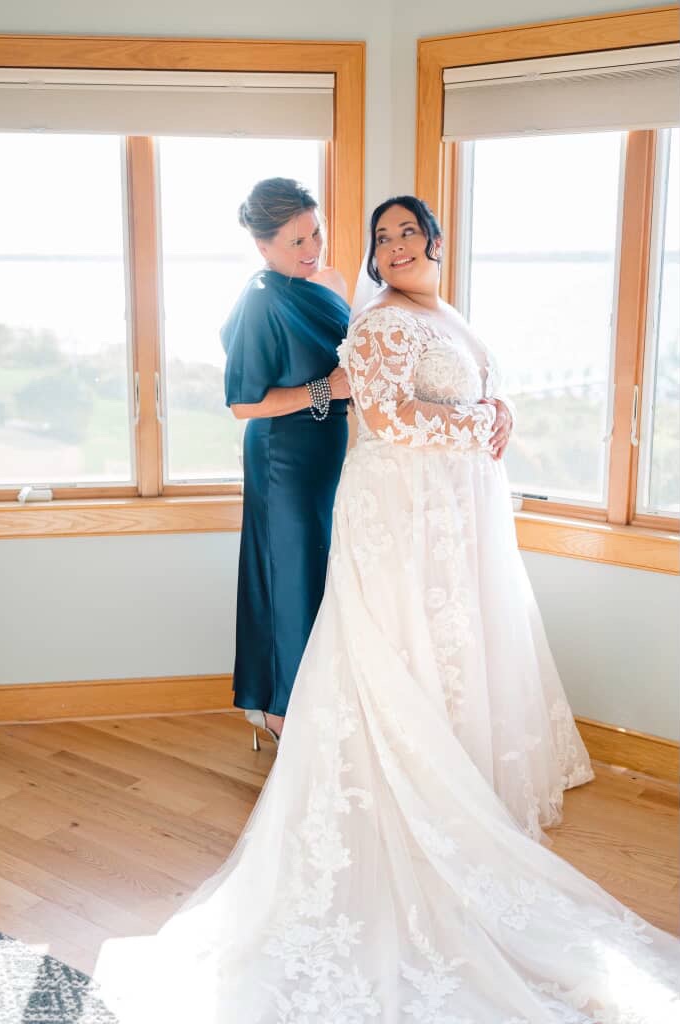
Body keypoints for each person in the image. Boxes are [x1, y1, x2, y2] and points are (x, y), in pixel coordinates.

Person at [96, 198, 678, 1022]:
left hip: (412, 495)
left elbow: (442, 392)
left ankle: (443, 763)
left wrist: (497, 408)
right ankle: (302, 734)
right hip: (333, 477)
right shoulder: (312, 309)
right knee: (346, 628)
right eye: (381, 235)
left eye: (401, 231)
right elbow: (384, 413)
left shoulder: (390, 299)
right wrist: (470, 419)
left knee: (433, 637)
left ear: (434, 239)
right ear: (266, 245)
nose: (383, 245)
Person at [220, 177, 352, 746]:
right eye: (297, 242)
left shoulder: (328, 282)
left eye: (315, 232)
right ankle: (281, 713)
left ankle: (313, 701)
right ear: (264, 247)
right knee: (292, 579)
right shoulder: (261, 299)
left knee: (323, 576)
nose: (312, 248)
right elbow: (243, 403)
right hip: (284, 459)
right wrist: (328, 390)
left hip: (328, 454)